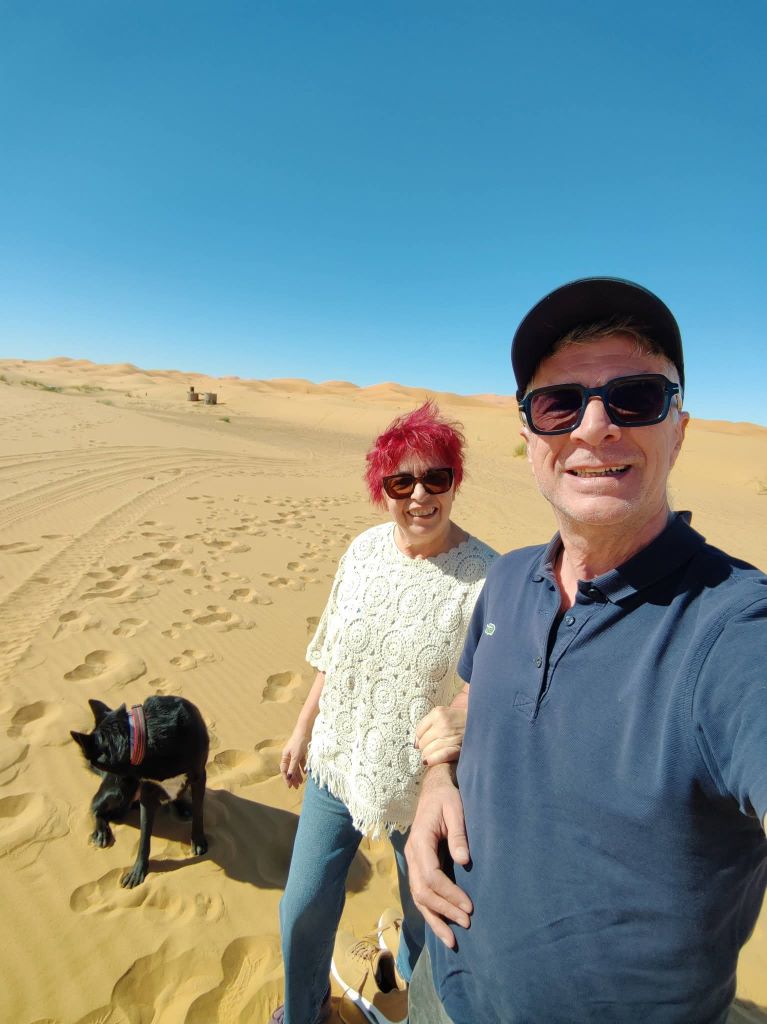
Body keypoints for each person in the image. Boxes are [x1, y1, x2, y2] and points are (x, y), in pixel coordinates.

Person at [405, 278, 767, 1024]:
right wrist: (437, 782)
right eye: (558, 404)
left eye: (636, 397)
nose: (594, 427)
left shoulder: (731, 628)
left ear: (678, 429)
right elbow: (474, 703)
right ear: (529, 437)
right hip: (444, 987)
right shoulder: (507, 582)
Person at [270, 401, 497, 1024]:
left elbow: (489, 691)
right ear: (383, 489)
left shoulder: (487, 579)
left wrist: (451, 751)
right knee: (301, 907)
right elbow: (332, 651)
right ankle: (306, 1013)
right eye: (402, 482)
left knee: (427, 921)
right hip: (338, 759)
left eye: (435, 478)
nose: (419, 496)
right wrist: (303, 727)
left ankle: (415, 1010)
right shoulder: (363, 550)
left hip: (422, 788)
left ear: (454, 482)